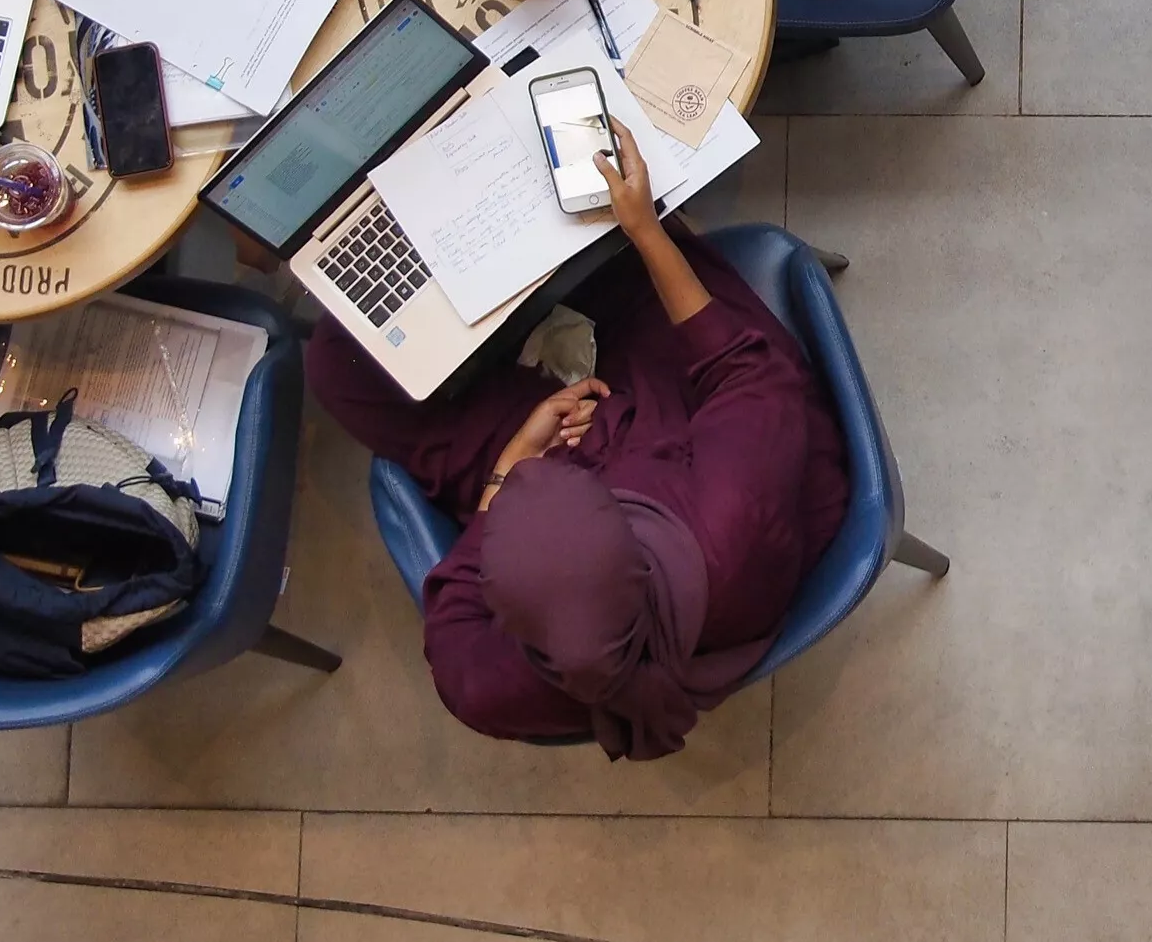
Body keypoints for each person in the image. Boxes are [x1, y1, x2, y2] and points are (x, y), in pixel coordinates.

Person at [306, 128, 848, 758]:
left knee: (335, 360)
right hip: (693, 442)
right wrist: (644, 228)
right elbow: (746, 369)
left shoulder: (484, 682)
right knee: (614, 247)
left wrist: (510, 466)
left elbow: (453, 609)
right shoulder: (731, 517)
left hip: (589, 446)